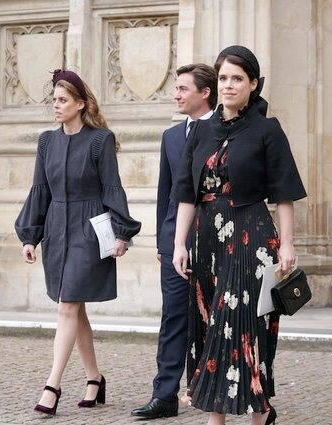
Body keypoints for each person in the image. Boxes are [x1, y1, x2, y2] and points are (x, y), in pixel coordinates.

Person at [171, 45, 306, 425]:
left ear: (253, 84)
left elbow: (284, 192)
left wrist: (289, 245)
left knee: (241, 327)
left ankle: (253, 414)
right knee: (210, 323)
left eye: (237, 79)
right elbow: (186, 192)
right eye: (224, 78)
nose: (229, 85)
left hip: (251, 236)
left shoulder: (268, 129)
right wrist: (179, 243)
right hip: (206, 239)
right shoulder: (199, 130)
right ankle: (231, 415)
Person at [15, 69, 141, 415]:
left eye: (63, 100)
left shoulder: (100, 141)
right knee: (74, 306)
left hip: (90, 230)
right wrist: (31, 236)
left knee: (66, 305)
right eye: (54, 100)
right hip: (57, 230)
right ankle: (94, 378)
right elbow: (39, 190)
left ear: (80, 104)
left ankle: (51, 386)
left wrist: (121, 233)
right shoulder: (46, 142)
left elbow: (112, 188)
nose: (56, 106)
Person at [131, 63, 217, 420]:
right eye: (176, 88)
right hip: (174, 245)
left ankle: (215, 392)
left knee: (218, 318)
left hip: (218, 239)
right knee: (173, 320)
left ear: (204, 92)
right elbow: (166, 193)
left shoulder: (225, 129)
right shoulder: (170, 137)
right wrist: (162, 242)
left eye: (183, 88)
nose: (176, 94)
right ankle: (164, 395)